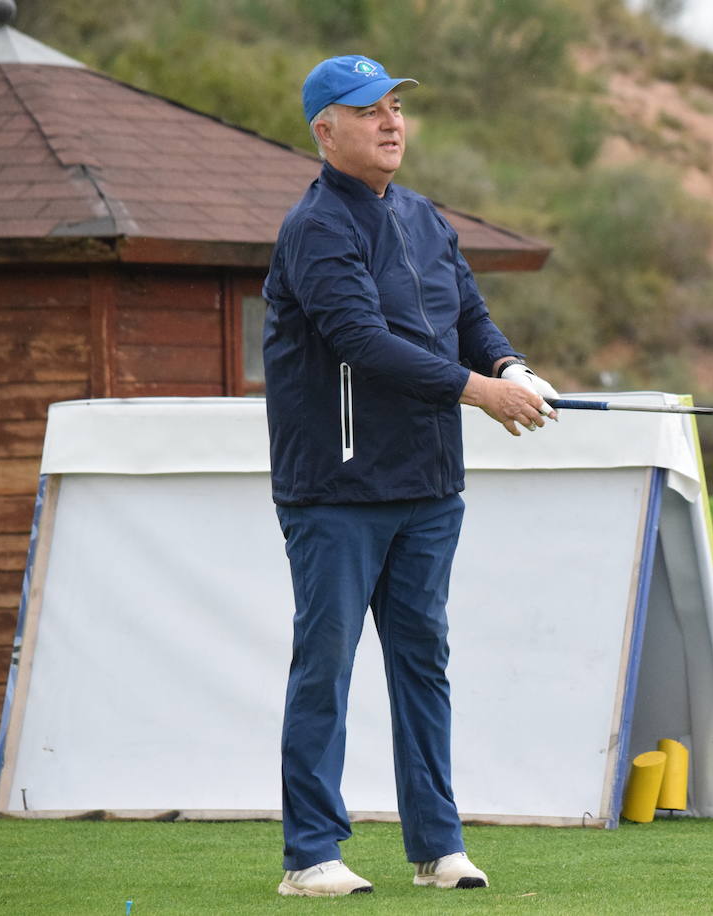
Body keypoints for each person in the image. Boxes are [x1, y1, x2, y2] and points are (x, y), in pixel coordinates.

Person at [261, 54, 561, 898]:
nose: (391, 122)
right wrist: (481, 390)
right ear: (325, 130)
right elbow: (364, 340)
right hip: (338, 489)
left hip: (429, 488)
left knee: (422, 662)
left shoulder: (426, 218)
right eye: (368, 110)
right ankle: (310, 856)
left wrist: (510, 363)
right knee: (326, 664)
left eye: (395, 106)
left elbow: (465, 315)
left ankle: (437, 846)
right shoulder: (316, 227)